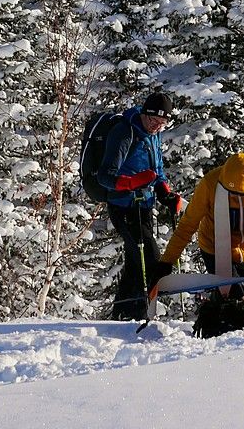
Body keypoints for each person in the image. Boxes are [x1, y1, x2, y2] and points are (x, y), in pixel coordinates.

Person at [157, 152, 244, 325]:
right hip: (215, 248)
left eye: (239, 194)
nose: (234, 197)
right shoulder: (209, 184)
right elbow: (187, 226)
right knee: (235, 302)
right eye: (229, 191)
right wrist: (167, 262)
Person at [96, 89, 179, 319]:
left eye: (162, 123)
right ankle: (143, 312)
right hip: (123, 206)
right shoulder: (124, 133)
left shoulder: (153, 136)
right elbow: (105, 176)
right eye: (153, 120)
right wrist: (132, 182)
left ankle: (123, 315)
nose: (156, 126)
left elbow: (157, 171)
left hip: (144, 206)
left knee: (135, 261)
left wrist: (165, 193)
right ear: (144, 113)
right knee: (149, 257)